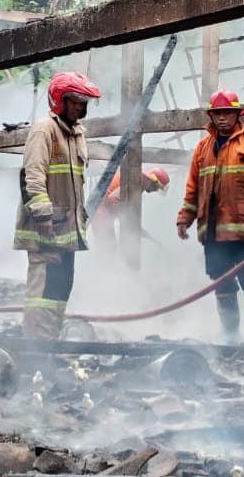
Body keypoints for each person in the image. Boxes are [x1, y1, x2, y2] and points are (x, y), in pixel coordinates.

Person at [176, 90, 244, 344]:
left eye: (227, 113)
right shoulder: (203, 149)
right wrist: (184, 218)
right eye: (218, 113)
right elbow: (193, 189)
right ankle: (230, 334)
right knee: (221, 283)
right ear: (211, 116)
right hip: (213, 233)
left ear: (238, 114)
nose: (223, 118)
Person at [14, 72, 101, 339]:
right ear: (59, 100)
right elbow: (33, 176)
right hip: (47, 230)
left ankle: (49, 346)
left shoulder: (75, 134)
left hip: (66, 231)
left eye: (83, 101)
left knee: (60, 290)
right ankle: (36, 350)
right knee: (43, 294)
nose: (80, 106)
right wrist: (43, 216)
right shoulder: (44, 130)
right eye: (74, 100)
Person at [90, 168, 170, 248]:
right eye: (156, 187)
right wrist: (125, 219)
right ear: (151, 181)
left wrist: (134, 225)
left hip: (105, 209)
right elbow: (113, 199)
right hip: (100, 210)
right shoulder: (134, 182)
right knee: (108, 246)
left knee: (110, 246)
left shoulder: (140, 183)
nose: (155, 190)